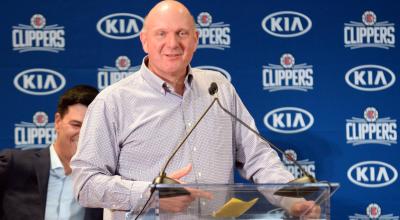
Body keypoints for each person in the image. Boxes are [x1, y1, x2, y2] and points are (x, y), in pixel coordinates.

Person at [71, 1, 320, 219]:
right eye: (161, 34)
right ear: (144, 41)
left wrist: (291, 200)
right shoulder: (113, 102)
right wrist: (151, 195)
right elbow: (86, 184)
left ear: (195, 39)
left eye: (182, 33)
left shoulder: (219, 88)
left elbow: (257, 157)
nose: (173, 43)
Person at [0, 85, 102, 220]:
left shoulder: (102, 181)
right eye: (76, 125)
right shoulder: (14, 164)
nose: (83, 134)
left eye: (90, 127)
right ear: (57, 121)